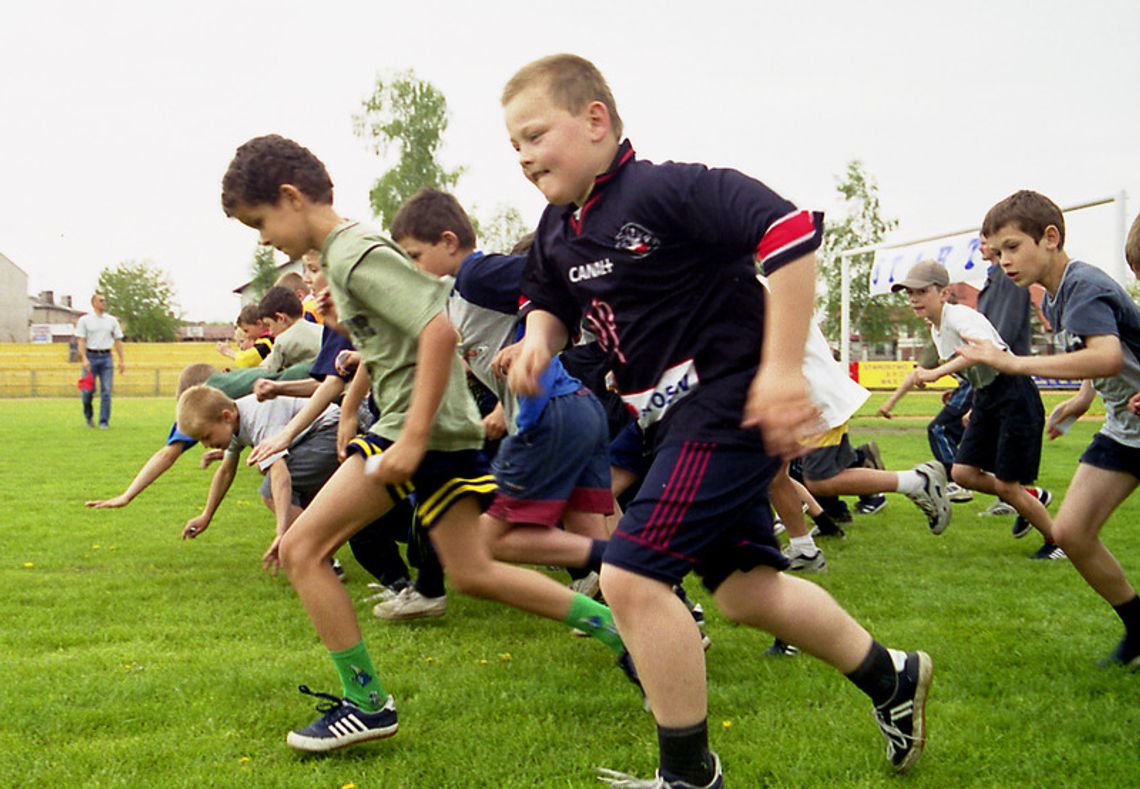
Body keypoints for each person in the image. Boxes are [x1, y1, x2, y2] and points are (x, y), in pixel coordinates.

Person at [502, 54, 932, 785]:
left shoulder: (668, 189)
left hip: (728, 406)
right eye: (513, 146)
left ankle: (688, 774)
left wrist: (779, 367)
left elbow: (790, 231)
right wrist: (538, 341)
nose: (523, 157)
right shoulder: (555, 231)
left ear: (596, 120)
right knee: (743, 590)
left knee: (633, 577)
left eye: (535, 135)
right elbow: (547, 302)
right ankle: (892, 677)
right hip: (668, 425)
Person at [220, 134, 638, 753]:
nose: (262, 238)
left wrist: (412, 438)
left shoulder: (354, 251)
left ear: (290, 196)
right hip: (431, 430)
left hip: (419, 432)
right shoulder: (345, 259)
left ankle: (366, 703)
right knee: (473, 571)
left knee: (304, 547)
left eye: (260, 222)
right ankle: (616, 622)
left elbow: (438, 330)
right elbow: (403, 334)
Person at [389, 187, 612, 611]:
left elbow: (555, 279)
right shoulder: (456, 296)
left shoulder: (476, 274)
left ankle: (630, 563)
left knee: (488, 541)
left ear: (449, 241)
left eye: (416, 256)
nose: (413, 267)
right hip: (576, 409)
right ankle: (668, 617)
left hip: (551, 412)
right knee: (587, 530)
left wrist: (530, 340)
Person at [959, 190, 1140, 668]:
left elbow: (1107, 354)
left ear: (1051, 238)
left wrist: (1013, 362)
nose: (1003, 262)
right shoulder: (1059, 297)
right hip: (1127, 431)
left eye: (1013, 247)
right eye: (997, 253)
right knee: (1072, 532)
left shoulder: (1082, 284)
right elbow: (1107, 361)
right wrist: (1082, 400)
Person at [882, 260, 1060, 560]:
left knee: (1006, 484)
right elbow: (973, 365)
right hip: (988, 396)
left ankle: (1058, 541)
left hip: (1013, 394)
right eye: (909, 293)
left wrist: (938, 374)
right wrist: (970, 396)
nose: (913, 299)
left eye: (921, 291)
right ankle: (1031, 498)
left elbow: (985, 351)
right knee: (963, 473)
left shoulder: (960, 316)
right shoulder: (937, 330)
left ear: (943, 293)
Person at [176, 384, 341, 573]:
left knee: (271, 490)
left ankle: (320, 558)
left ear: (226, 417)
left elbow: (280, 475)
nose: (206, 445)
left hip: (330, 429)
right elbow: (226, 472)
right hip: (313, 436)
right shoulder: (233, 423)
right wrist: (206, 515)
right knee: (283, 490)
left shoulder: (258, 417)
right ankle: (318, 553)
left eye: (206, 436)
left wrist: (282, 532)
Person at [75, 292, 125, 428]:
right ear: (94, 303)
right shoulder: (85, 320)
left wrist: (121, 360)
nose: (104, 303)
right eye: (101, 301)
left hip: (106, 357)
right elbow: (81, 340)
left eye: (105, 301)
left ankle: (104, 421)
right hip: (91, 357)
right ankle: (88, 417)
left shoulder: (112, 321)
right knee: (87, 391)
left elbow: (118, 340)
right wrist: (84, 358)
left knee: (106, 391)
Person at [256, 286, 323, 372]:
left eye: (269, 325)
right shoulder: (321, 329)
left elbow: (264, 371)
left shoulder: (283, 341)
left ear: (281, 318)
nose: (270, 333)